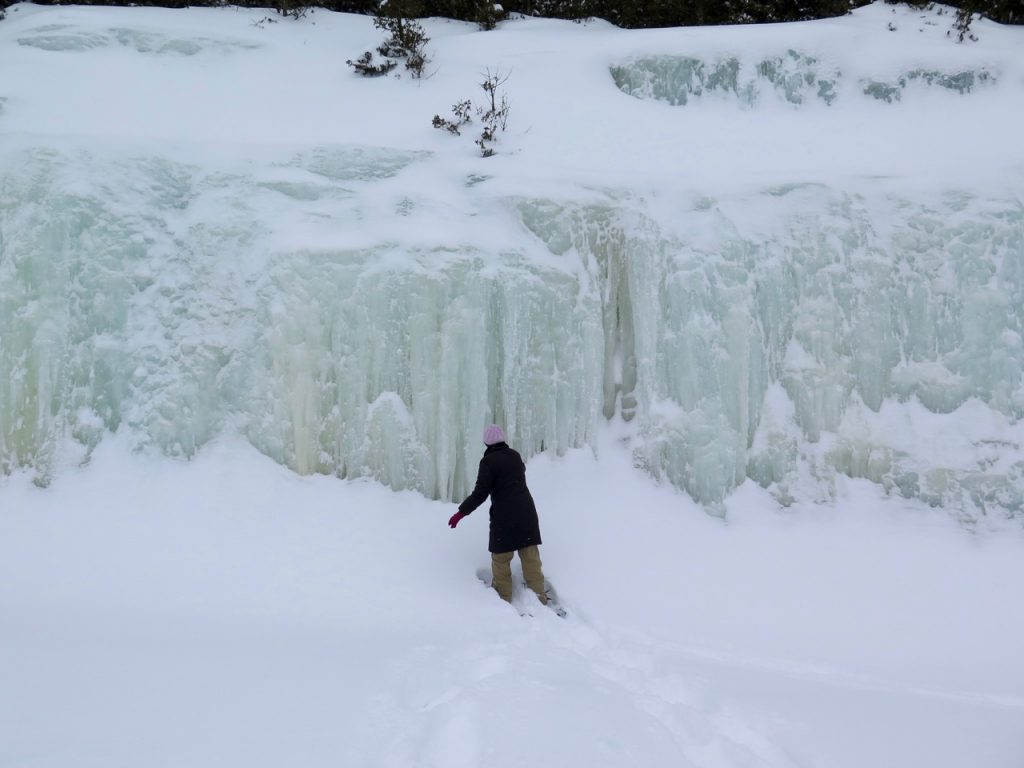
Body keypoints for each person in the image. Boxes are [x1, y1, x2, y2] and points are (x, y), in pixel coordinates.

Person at [448, 424, 548, 605]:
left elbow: (480, 493)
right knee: (530, 557)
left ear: (486, 443)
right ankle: (540, 596)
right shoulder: (515, 455)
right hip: (527, 512)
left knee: (501, 559)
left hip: (505, 516)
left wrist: (461, 513)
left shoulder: (488, 462)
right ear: (503, 439)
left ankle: (503, 600)